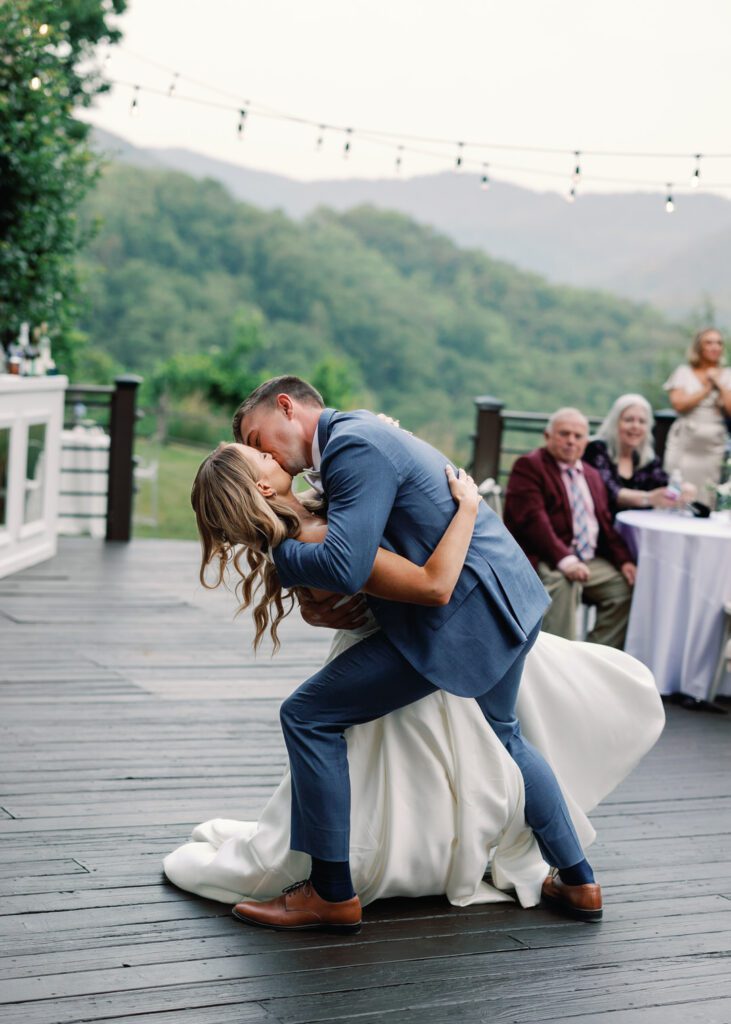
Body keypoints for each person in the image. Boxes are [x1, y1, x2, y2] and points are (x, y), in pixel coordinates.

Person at [165, 425, 663, 926]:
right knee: (506, 736)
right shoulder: (311, 541)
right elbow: (432, 583)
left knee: (305, 716)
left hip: (431, 641)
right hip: (455, 619)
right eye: (256, 455)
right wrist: (468, 509)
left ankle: (332, 890)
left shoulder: (312, 519)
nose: (266, 451)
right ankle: (579, 879)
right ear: (264, 489)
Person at [503, 407, 636, 649]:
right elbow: (534, 522)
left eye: (578, 436)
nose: (571, 441)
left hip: (587, 558)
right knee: (564, 583)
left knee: (623, 589)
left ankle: (590, 657)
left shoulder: (592, 475)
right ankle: (558, 658)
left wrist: (624, 560)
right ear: (548, 436)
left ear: (587, 441)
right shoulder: (530, 466)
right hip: (543, 554)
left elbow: (604, 525)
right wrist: (565, 560)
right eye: (564, 434)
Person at [583, 393, 693, 516]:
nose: (636, 426)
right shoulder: (597, 449)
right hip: (604, 527)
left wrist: (683, 488)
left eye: (642, 421)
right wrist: (649, 498)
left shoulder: (647, 458)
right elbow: (609, 492)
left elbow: (664, 483)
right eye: (629, 420)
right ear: (615, 423)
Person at [663, 327, 731, 508]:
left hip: (712, 445)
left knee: (706, 494)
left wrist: (720, 385)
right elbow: (679, 404)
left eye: (718, 343)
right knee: (675, 489)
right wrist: (708, 388)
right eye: (709, 342)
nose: (715, 347)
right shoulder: (683, 372)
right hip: (685, 441)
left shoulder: (727, 375)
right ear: (699, 347)